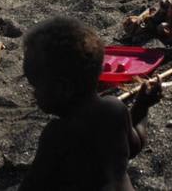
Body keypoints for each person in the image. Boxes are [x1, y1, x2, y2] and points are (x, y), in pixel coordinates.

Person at [19, 16, 161, 190]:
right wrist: (142, 106)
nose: (34, 94)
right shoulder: (114, 109)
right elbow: (133, 146)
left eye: (36, 87)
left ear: (63, 88)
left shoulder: (57, 134)